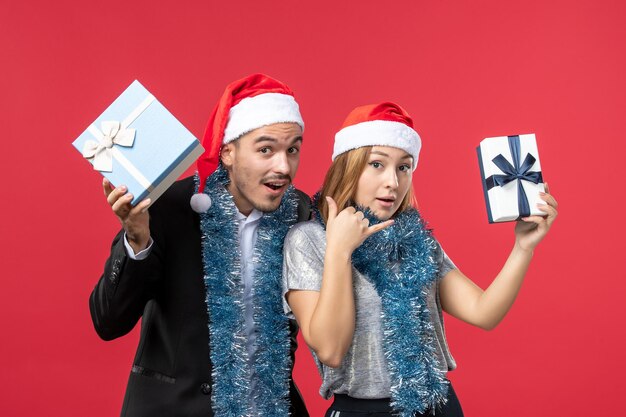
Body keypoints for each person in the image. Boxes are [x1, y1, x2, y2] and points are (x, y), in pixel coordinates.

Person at [282, 102, 558, 417]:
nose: (393, 182)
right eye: (377, 164)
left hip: (438, 406)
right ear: (349, 166)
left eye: (404, 166)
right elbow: (330, 350)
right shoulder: (309, 239)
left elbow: (484, 313)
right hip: (365, 411)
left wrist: (523, 247)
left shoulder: (414, 239)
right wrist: (339, 250)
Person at [90, 74, 311, 417]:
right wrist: (136, 238)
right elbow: (108, 322)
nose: (283, 167)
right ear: (228, 153)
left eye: (292, 149)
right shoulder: (167, 205)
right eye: (266, 149)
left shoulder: (302, 213)